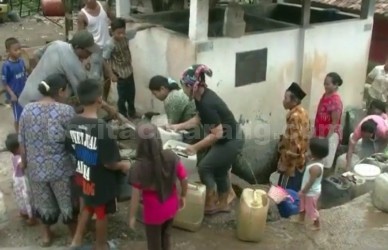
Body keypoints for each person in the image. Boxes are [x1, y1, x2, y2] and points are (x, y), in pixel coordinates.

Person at [168, 64, 244, 214]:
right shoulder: (200, 97)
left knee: (205, 167)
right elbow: (198, 119)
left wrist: (194, 147)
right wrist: (177, 127)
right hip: (229, 137)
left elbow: (217, 133)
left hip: (231, 140)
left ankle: (210, 202)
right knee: (220, 170)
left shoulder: (207, 103)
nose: (183, 89)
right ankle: (222, 203)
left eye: (184, 85)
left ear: (192, 86)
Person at [66, 79, 130, 250]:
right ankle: (101, 246)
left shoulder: (72, 122)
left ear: (79, 100)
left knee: (88, 204)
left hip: (83, 173)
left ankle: (77, 240)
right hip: (100, 180)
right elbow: (110, 164)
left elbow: (71, 148)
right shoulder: (101, 127)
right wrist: (124, 165)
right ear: (99, 100)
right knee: (101, 211)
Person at [18, 74, 77, 246]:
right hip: (61, 168)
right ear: (60, 91)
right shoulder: (66, 111)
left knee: (42, 202)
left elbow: (22, 140)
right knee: (67, 202)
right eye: (66, 91)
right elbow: (73, 140)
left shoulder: (27, 110)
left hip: (36, 167)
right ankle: (74, 235)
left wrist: (25, 162)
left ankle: (46, 236)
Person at [128, 123, 188, 250]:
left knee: (154, 243)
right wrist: (183, 195)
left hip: (153, 212)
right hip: (172, 205)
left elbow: (135, 196)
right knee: (166, 235)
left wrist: (132, 216)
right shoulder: (170, 156)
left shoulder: (138, 167)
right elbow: (184, 178)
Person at [103, 18, 155, 119]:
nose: (121, 35)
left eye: (123, 32)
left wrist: (151, 25)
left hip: (129, 71)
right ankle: (122, 115)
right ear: (112, 32)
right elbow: (104, 60)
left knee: (131, 94)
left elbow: (138, 28)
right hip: (119, 74)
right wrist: (111, 74)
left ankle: (132, 112)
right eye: (118, 33)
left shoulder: (126, 36)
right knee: (122, 97)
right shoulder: (110, 44)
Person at [278, 82, 310, 191]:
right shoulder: (303, 112)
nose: (283, 101)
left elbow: (295, 145)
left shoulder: (294, 117)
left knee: (283, 192)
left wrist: (285, 164)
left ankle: (283, 207)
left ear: (294, 101)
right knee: (293, 190)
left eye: (286, 98)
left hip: (292, 164)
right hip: (300, 162)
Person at [297, 137, 329, 231]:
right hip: (307, 190)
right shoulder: (316, 160)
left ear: (314, 152)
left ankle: (317, 224)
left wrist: (303, 192)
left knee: (311, 209)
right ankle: (301, 219)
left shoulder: (315, 168)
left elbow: (310, 182)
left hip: (311, 192)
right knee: (302, 205)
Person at [5, 133, 36, 226]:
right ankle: (32, 217)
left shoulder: (13, 157)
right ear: (16, 148)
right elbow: (23, 165)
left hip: (17, 180)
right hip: (23, 181)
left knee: (21, 197)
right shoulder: (19, 158)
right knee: (27, 198)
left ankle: (24, 212)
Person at [314, 72, 343, 169]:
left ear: (335, 85)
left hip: (329, 136)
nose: (325, 86)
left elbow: (334, 123)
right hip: (320, 133)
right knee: (317, 161)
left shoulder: (335, 101)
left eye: (328, 84)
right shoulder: (325, 95)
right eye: (324, 83)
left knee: (325, 164)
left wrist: (326, 141)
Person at [78, 0, 113, 80]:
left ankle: (105, 91)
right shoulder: (82, 15)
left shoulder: (103, 6)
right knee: (96, 77)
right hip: (95, 51)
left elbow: (114, 19)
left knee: (108, 77)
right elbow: (80, 35)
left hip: (108, 47)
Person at [1, 37, 27, 132]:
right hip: (15, 95)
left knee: (25, 113)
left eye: (19, 49)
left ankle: (24, 132)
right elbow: (4, 82)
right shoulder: (6, 66)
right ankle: (18, 136)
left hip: (23, 92)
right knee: (18, 117)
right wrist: (12, 94)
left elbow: (25, 75)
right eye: (16, 50)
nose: (19, 52)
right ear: (8, 51)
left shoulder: (21, 61)